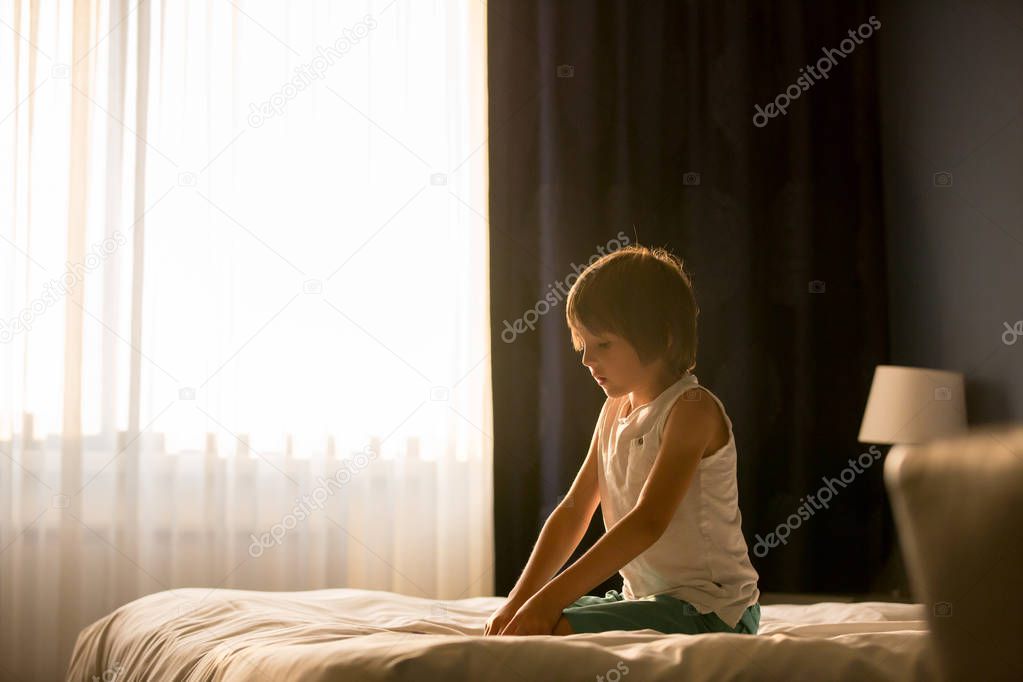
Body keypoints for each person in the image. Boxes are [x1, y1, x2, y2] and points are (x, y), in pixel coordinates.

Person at [483, 244, 761, 637]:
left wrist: (547, 602)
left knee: (547, 626)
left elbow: (647, 522)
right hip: (646, 599)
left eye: (603, 345)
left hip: (710, 609)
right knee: (524, 619)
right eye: (583, 345)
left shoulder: (692, 409)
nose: (586, 360)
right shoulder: (614, 409)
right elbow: (574, 511)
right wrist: (520, 599)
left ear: (661, 337)